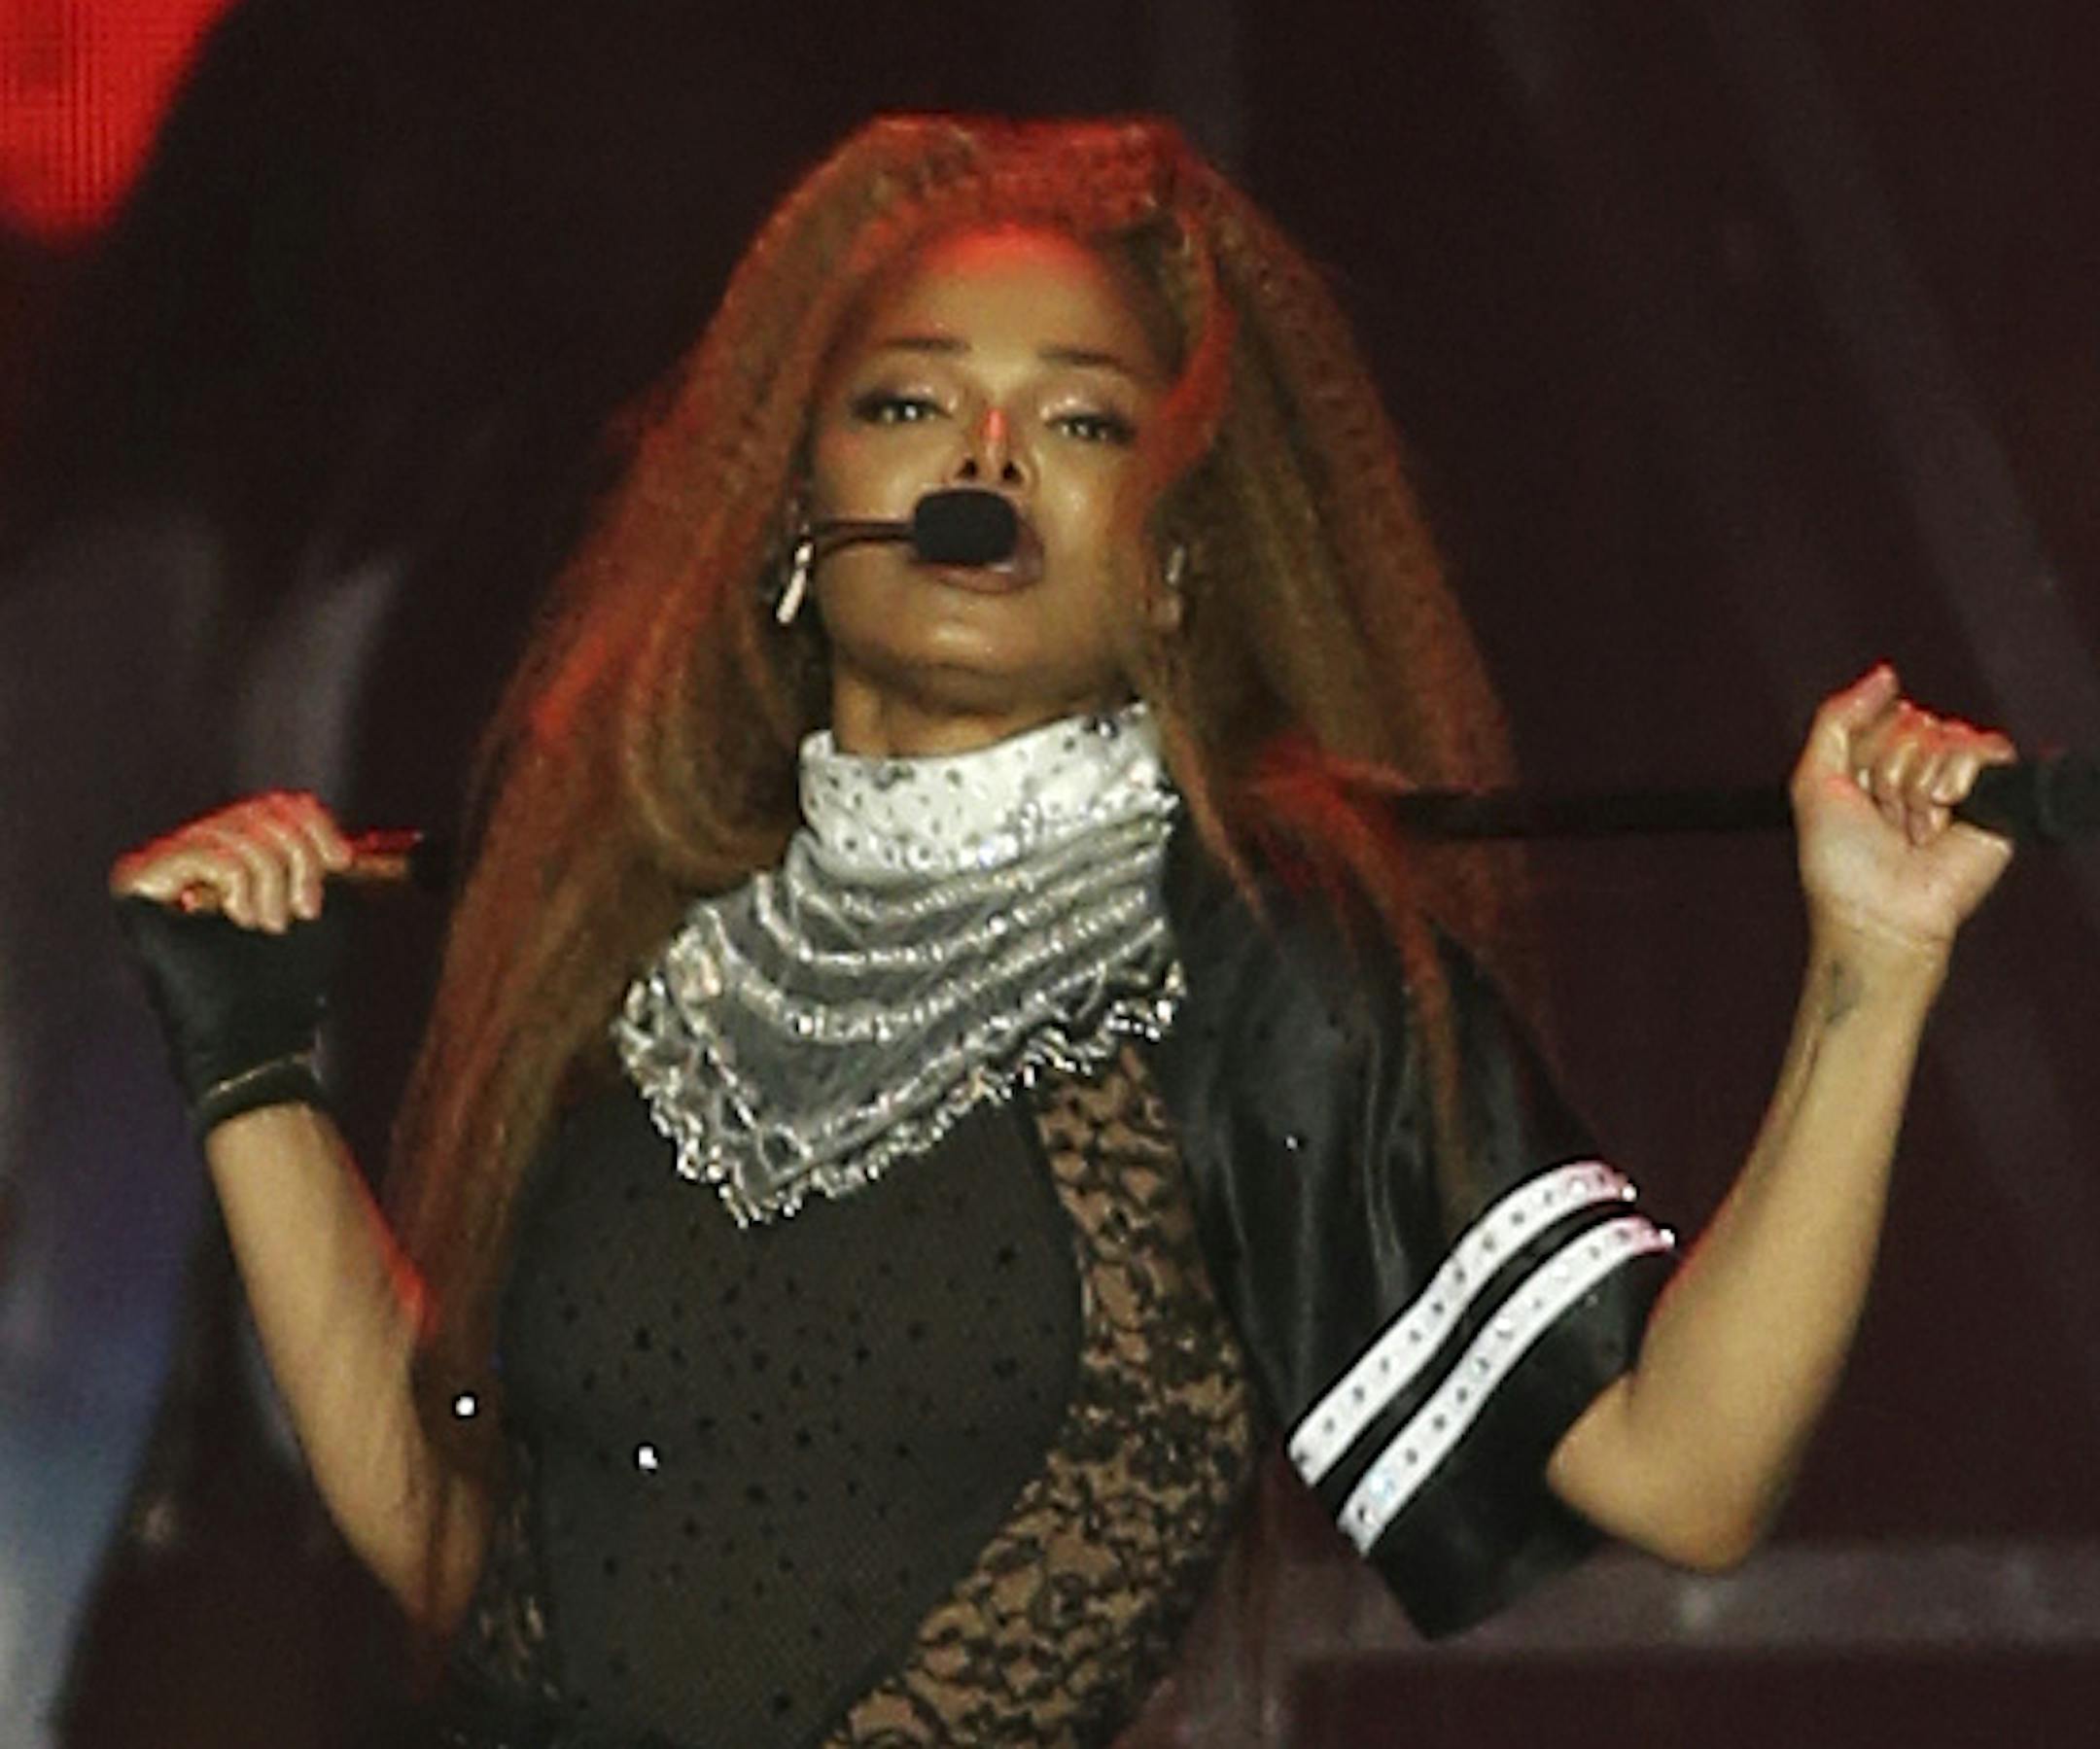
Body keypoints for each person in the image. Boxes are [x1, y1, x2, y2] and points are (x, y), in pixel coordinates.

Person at [109, 115, 2015, 1746]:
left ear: (1175, 561)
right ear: (803, 508)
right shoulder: (659, 936)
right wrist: (253, 1067)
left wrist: (1874, 963)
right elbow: (469, 1550)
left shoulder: (1265, 971)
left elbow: (1686, 1473)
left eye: (1079, 418)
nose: (986, 458)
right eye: (912, 398)